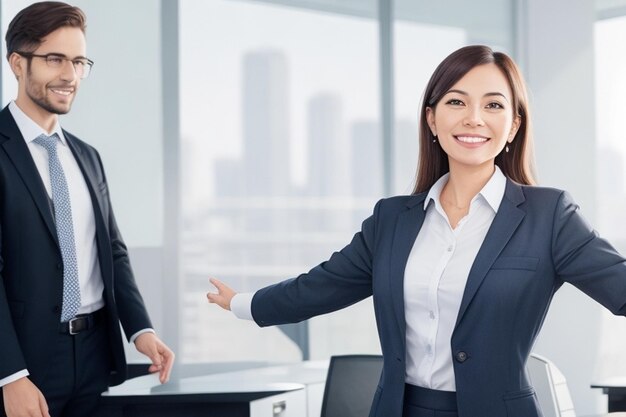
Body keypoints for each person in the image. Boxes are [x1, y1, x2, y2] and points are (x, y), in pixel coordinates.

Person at [207, 44, 626, 417]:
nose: (474, 119)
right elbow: (322, 285)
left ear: (514, 126)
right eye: (457, 102)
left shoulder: (548, 214)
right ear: (432, 118)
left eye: (494, 106)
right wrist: (245, 303)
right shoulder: (392, 219)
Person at [0, 2, 174, 417]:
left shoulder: (87, 156)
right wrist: (10, 375)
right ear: (17, 64)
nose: (70, 75)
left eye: (79, 61)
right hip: (29, 359)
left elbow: (112, 250)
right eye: (55, 59)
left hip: (96, 356)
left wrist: (140, 329)